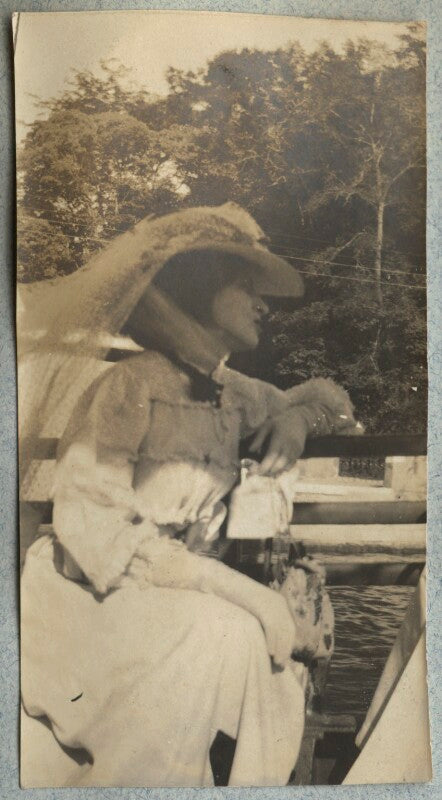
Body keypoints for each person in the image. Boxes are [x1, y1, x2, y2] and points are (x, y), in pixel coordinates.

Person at [20, 205, 359, 788]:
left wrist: (300, 417)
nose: (264, 306)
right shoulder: (126, 388)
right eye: (248, 288)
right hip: (92, 595)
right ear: (203, 290)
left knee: (249, 643)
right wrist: (233, 588)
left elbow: (339, 402)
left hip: (175, 596)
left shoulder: (236, 394)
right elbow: (91, 532)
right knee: (216, 630)